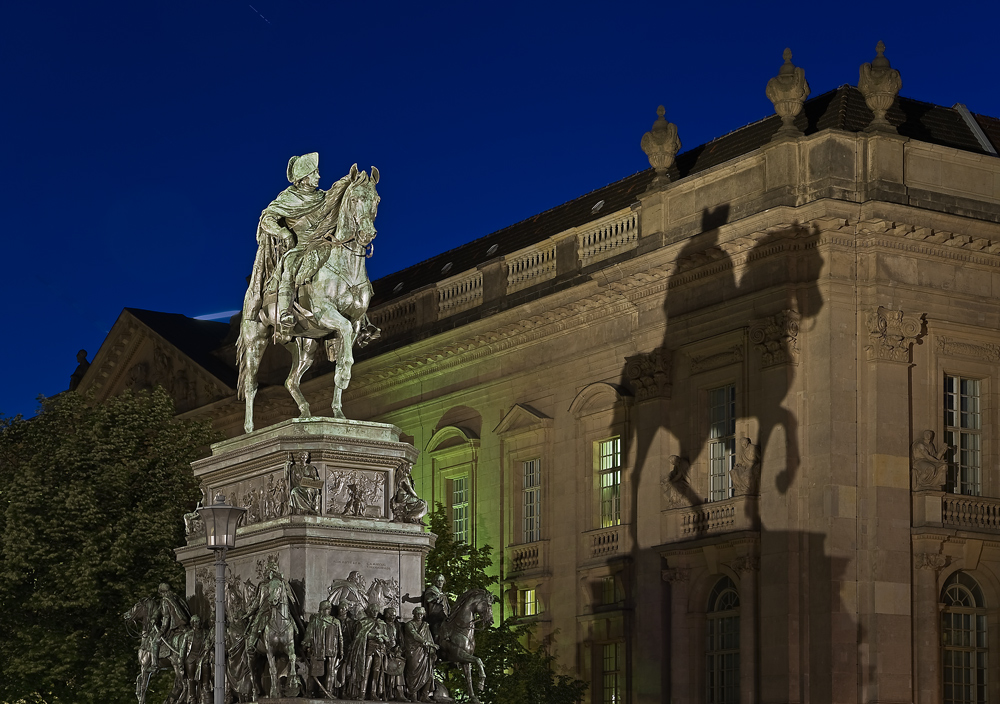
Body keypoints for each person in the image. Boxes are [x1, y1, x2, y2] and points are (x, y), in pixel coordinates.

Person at [242, 152, 355, 342]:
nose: (319, 176)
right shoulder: (288, 198)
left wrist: (350, 180)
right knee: (289, 266)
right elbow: (267, 219)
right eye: (315, 172)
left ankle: (360, 318)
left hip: (324, 244)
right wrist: (283, 233)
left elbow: (337, 193)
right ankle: (285, 313)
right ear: (304, 178)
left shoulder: (322, 197)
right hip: (300, 247)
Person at [303, 600, 343, 698]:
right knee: (314, 671)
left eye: (329, 609)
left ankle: (328, 691)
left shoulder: (335, 621)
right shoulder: (316, 620)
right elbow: (309, 633)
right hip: (318, 649)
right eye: (326, 609)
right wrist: (306, 645)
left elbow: (340, 638)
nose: (327, 611)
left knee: (330, 671)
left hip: (331, 649)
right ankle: (310, 691)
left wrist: (341, 651)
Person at [402, 607, 438, 702]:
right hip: (413, 651)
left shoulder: (425, 625)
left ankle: (424, 695)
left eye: (421, 614)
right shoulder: (409, 624)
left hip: (425, 652)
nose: (420, 616)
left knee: (429, 673)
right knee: (413, 673)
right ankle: (412, 695)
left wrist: (432, 649)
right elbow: (414, 635)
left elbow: (430, 637)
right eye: (418, 614)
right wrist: (427, 643)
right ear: (414, 614)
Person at [421, 574, 451, 638]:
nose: (440, 583)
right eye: (438, 581)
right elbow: (428, 599)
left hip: (444, 615)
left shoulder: (442, 593)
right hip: (434, 616)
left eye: (442, 581)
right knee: (436, 631)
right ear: (435, 581)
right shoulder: (431, 590)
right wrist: (436, 597)